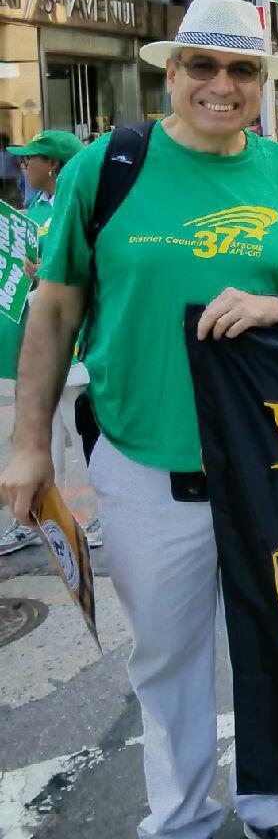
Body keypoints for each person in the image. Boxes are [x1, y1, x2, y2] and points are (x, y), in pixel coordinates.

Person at [0, 0, 278, 839]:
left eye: (242, 70)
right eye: (203, 65)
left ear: (262, 83)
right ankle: (182, 816)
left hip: (273, 461)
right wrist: (28, 449)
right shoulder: (108, 166)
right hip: (143, 458)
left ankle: (273, 805)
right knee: (166, 658)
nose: (221, 85)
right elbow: (52, 311)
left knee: (274, 643)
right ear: (172, 73)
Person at [0, 130, 93, 557]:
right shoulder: (34, 208)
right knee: (43, 431)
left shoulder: (83, 205)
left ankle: (108, 517)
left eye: (29, 159)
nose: (22, 167)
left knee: (83, 430)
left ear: (53, 164)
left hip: (76, 346)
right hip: (40, 341)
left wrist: (46, 275)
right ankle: (37, 517)